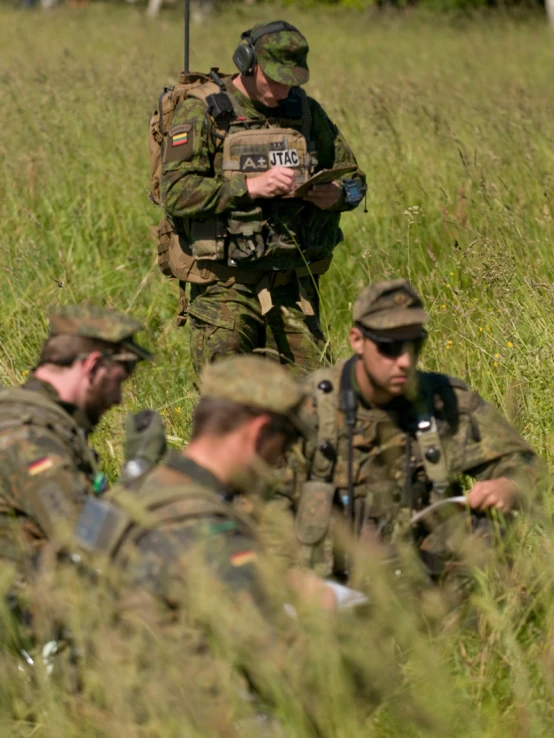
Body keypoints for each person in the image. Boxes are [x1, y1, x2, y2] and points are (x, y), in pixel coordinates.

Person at [276, 279, 541, 580]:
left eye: (414, 344)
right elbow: (256, 499)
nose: (404, 361)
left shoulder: (443, 401)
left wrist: (508, 486)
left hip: (424, 579)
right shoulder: (307, 407)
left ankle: (472, 621)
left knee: (492, 521)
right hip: (328, 588)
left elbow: (526, 464)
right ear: (357, 340)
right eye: (389, 347)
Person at [158, 20, 366, 376]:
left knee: (316, 399)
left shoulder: (305, 112)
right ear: (247, 63)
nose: (284, 90)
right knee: (229, 404)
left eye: (292, 81)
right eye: (275, 79)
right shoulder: (204, 112)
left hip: (293, 286)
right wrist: (250, 188)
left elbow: (355, 181)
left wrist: (338, 194)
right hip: (225, 287)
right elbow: (175, 193)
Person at [0, 304, 158, 570]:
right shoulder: (29, 439)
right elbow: (89, 538)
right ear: (92, 366)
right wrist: (137, 472)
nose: (118, 399)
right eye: (117, 382)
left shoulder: (40, 421)